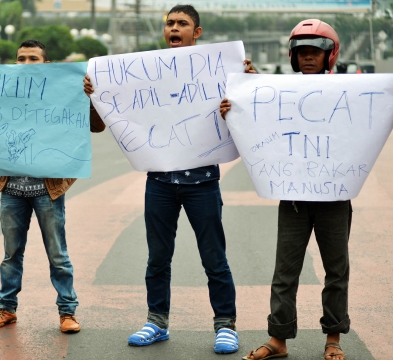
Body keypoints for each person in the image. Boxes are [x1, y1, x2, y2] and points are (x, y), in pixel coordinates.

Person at [84, 4, 255, 354]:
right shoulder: (142, 72)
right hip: (160, 182)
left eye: (182, 23)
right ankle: (156, 322)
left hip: (203, 182)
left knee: (214, 258)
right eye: (170, 23)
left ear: (197, 32)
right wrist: (95, 93)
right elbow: (102, 120)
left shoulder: (223, 71)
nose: (174, 28)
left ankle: (225, 325)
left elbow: (254, 117)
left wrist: (250, 84)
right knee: (157, 258)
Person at [0, 39, 106, 333]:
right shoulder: (2, 93)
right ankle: (6, 308)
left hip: (49, 191)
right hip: (11, 190)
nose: (25, 63)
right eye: (20, 58)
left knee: (58, 255)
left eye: (32, 58)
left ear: (46, 64)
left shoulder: (65, 91)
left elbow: (97, 126)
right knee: (11, 254)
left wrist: (89, 97)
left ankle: (67, 312)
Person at [221, 19, 349, 360]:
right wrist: (236, 107)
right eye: (302, 53)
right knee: (284, 272)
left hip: (334, 196)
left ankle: (333, 338)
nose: (308, 58)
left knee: (336, 271)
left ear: (329, 56)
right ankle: (278, 339)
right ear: (293, 57)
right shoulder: (279, 91)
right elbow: (263, 108)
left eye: (315, 52)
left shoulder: (349, 92)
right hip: (293, 198)